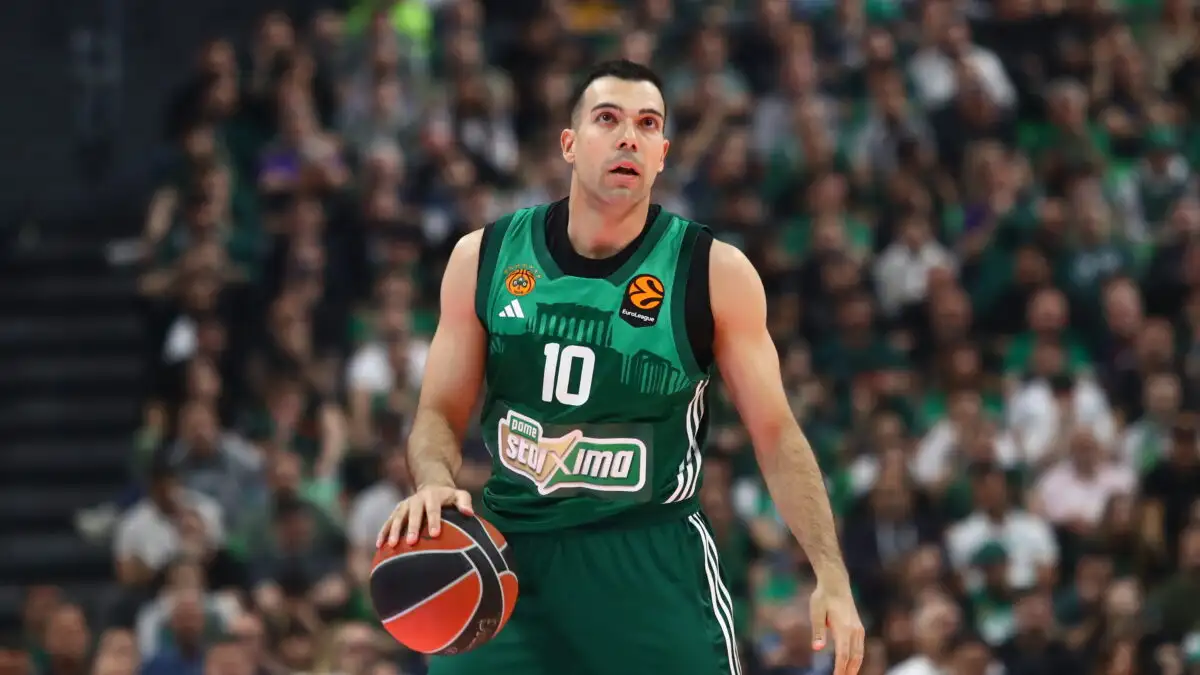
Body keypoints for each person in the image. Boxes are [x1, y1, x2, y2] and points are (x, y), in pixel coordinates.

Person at [376, 60, 865, 675]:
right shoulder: (484, 257)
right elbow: (438, 414)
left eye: (647, 124)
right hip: (509, 560)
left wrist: (830, 572)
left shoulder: (714, 273)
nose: (629, 137)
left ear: (662, 155)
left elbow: (776, 434)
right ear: (569, 143)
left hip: (649, 561)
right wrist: (431, 480)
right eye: (607, 119)